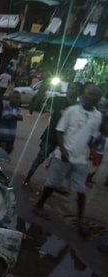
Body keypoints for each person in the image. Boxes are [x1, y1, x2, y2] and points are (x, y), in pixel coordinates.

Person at [32, 84, 103, 237]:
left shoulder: (97, 116)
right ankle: (39, 205)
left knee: (81, 190)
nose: (89, 97)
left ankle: (80, 220)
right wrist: (63, 150)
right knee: (52, 184)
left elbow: (92, 135)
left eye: (93, 95)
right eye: (88, 94)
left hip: (80, 159)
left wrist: (92, 151)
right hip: (63, 156)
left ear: (97, 99)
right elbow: (59, 131)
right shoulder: (72, 110)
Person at [22, 82, 83, 186]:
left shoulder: (77, 108)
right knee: (41, 158)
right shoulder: (60, 100)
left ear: (79, 92)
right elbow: (43, 101)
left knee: (57, 163)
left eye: (75, 89)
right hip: (51, 135)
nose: (73, 91)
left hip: (65, 139)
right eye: (71, 88)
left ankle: (49, 183)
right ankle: (28, 177)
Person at [86, 117, 108, 187]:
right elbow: (95, 144)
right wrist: (92, 153)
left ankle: (90, 179)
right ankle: (88, 180)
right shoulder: (100, 136)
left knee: (96, 167)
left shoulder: (106, 136)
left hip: (101, 154)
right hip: (97, 153)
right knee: (94, 167)